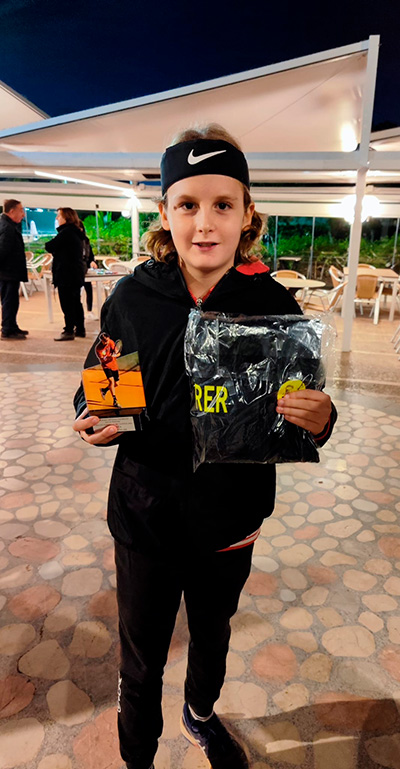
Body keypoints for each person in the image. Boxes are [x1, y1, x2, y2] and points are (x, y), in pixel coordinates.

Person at [73, 124, 336, 769]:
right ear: (165, 213)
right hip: (144, 515)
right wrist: (93, 414)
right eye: (188, 204)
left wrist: (321, 417)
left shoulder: (273, 303)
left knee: (213, 633)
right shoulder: (134, 298)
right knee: (141, 655)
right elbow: (101, 385)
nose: (205, 223)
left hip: (232, 518)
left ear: (248, 214)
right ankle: (137, 754)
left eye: (223, 204)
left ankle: (200, 713)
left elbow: (302, 409)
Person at [45, 207, 86, 341]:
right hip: (75, 273)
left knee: (67, 303)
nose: (57, 218)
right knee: (75, 302)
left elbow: (50, 246)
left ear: (66, 218)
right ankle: (80, 329)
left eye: (59, 216)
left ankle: (68, 330)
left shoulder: (66, 232)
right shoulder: (76, 232)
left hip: (66, 274)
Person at [0, 198, 29, 340]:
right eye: (21, 210)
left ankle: (12, 326)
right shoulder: (7, 228)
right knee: (9, 301)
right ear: (12, 211)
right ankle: (7, 329)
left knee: (12, 301)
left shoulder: (9, 225)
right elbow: (2, 251)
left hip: (10, 273)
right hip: (8, 273)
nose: (23, 214)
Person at [95, 331, 122, 408]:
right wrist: (110, 356)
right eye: (104, 341)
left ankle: (104, 390)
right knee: (111, 381)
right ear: (101, 340)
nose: (106, 342)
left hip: (114, 366)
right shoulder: (98, 349)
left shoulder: (111, 342)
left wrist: (116, 354)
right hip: (106, 366)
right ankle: (115, 400)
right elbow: (103, 360)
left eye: (107, 340)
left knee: (116, 384)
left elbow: (118, 353)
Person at [79, 219, 98, 320]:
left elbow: (90, 255)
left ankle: (89, 310)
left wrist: (92, 261)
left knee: (88, 289)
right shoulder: (74, 240)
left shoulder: (86, 241)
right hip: (76, 269)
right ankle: (79, 313)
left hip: (85, 269)